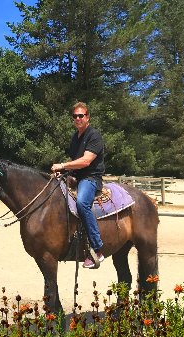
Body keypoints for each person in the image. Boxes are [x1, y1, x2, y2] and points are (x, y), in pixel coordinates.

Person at [51, 102, 105, 269]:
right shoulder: (75, 138)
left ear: (87, 117)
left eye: (81, 115)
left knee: (82, 203)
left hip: (90, 179)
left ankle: (97, 249)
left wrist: (62, 166)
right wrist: (65, 173)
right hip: (77, 178)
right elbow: (75, 163)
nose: (78, 118)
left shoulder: (94, 135)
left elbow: (86, 161)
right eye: (75, 116)